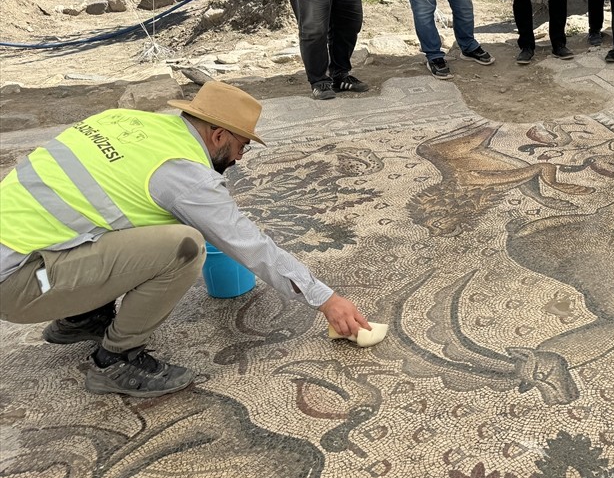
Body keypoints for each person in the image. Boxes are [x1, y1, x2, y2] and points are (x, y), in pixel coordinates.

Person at [0, 82, 371, 398]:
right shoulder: (182, 173)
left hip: (33, 255)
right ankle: (116, 360)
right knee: (184, 246)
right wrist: (326, 299)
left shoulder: (123, 121)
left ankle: (82, 316)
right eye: (243, 145)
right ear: (218, 135)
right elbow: (249, 244)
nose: (240, 158)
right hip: (22, 282)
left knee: (133, 216)